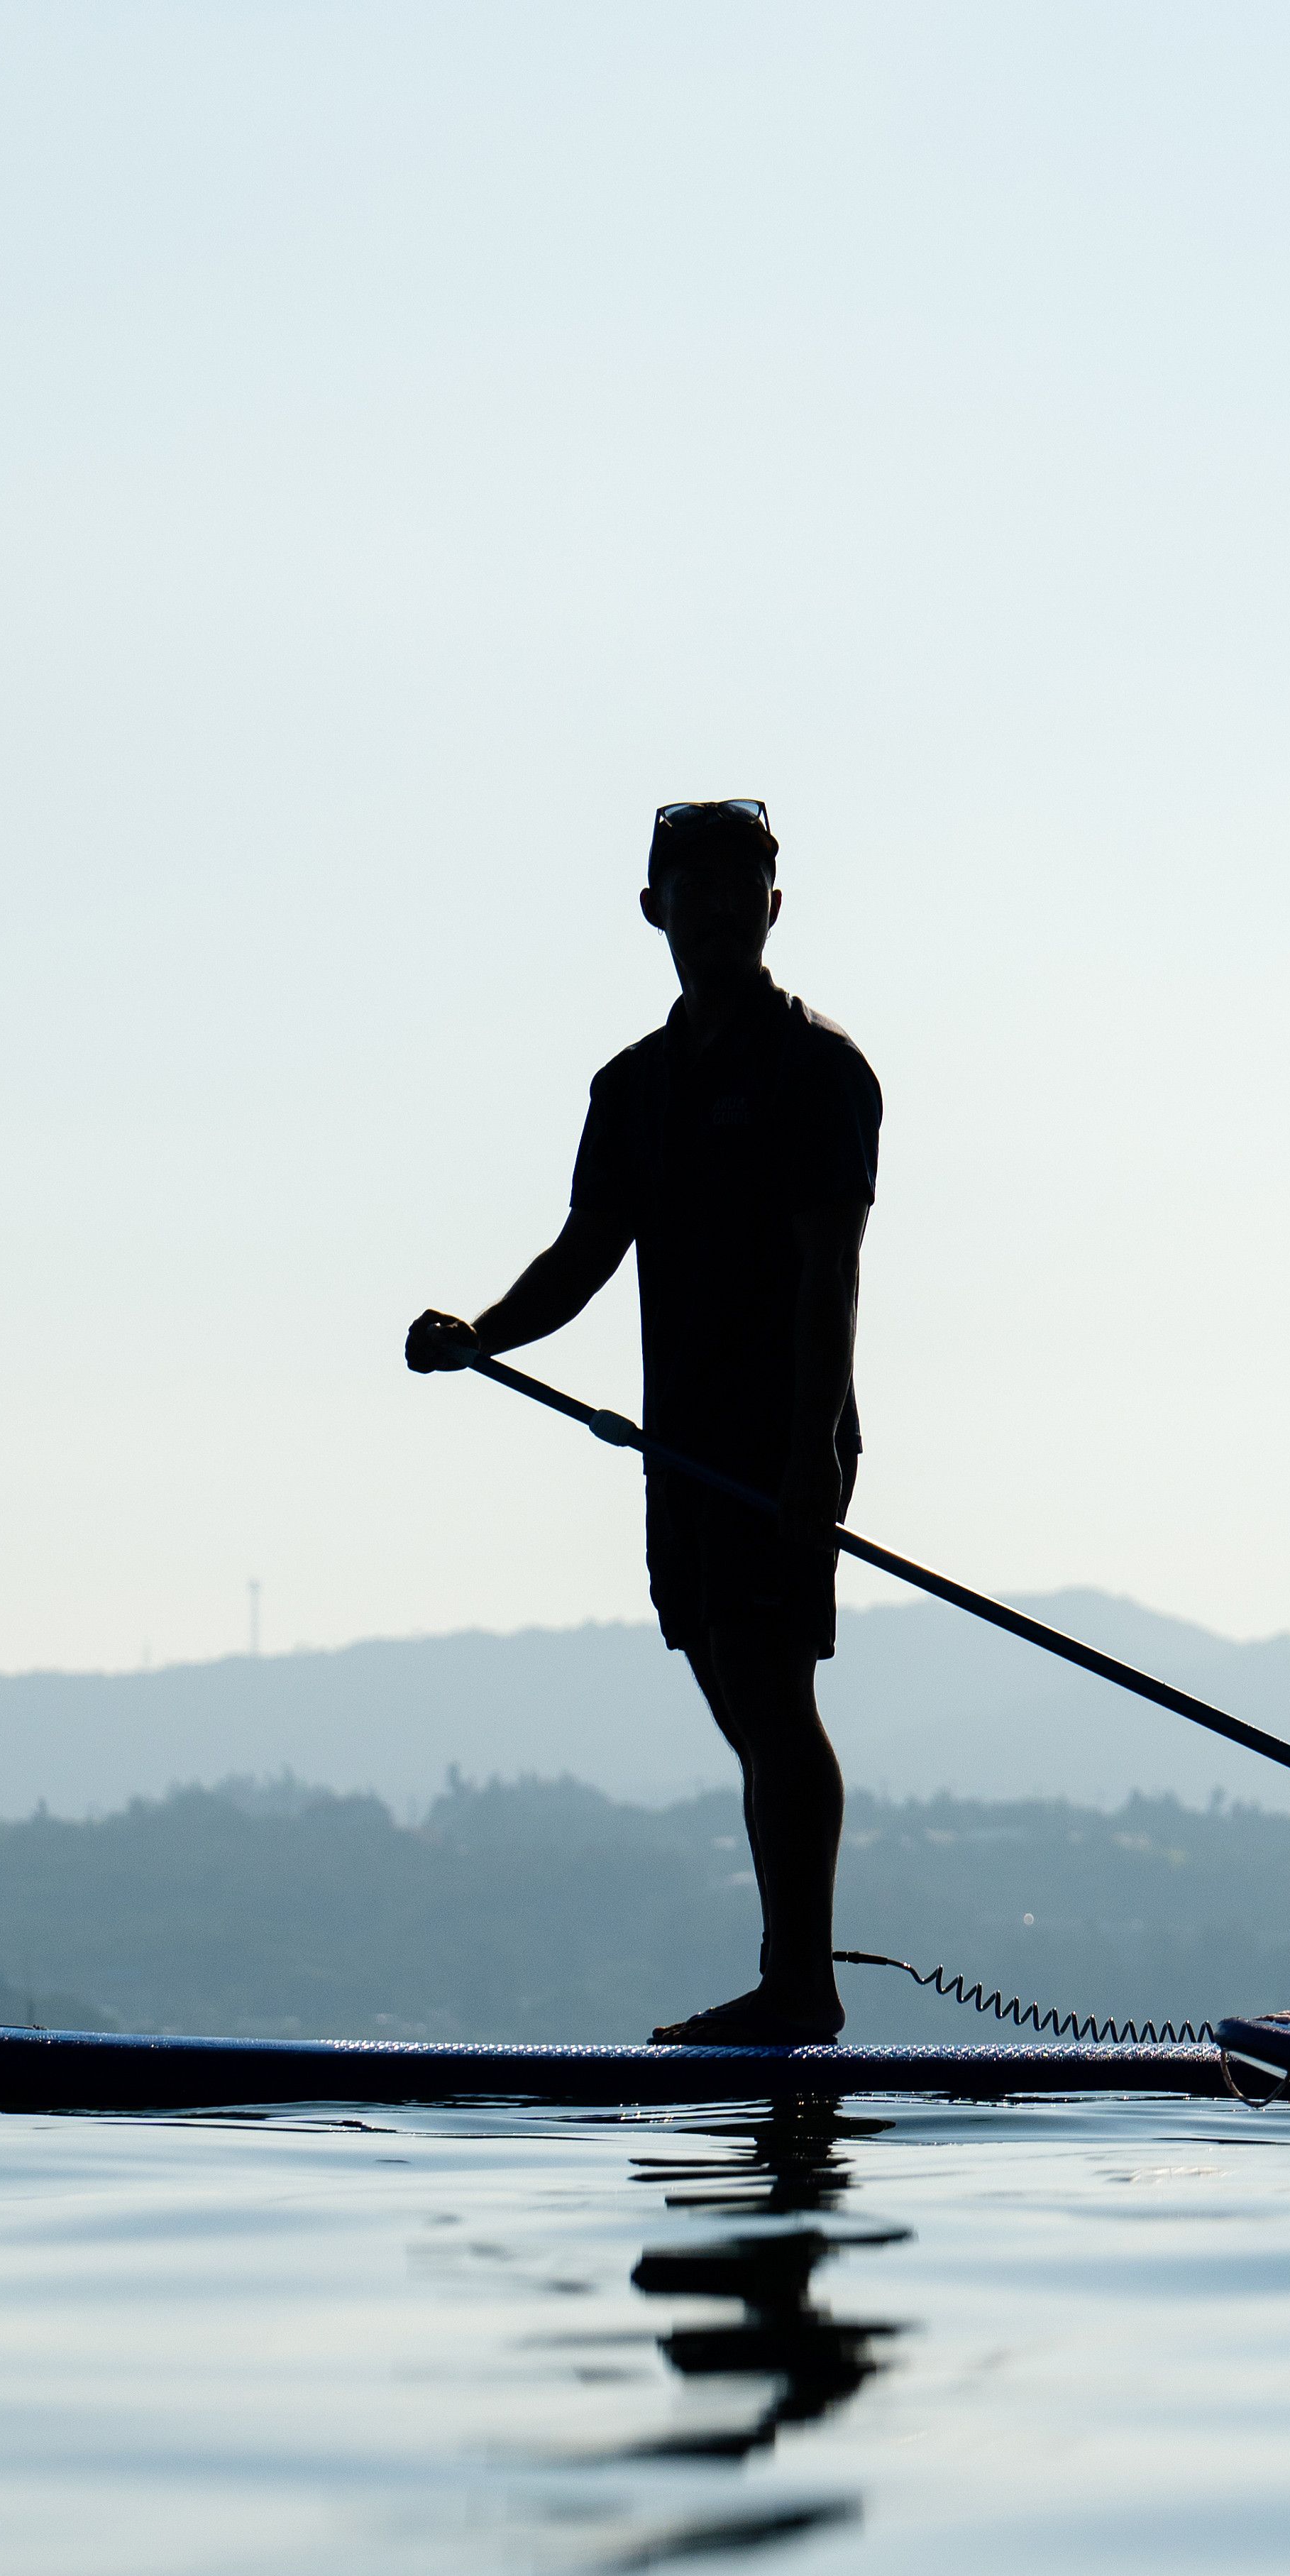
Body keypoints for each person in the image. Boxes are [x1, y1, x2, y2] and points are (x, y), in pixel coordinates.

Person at [406, 800, 879, 2047]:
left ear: (775, 907)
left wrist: (810, 1449)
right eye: (696, 886)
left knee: (773, 1701)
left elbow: (831, 1266)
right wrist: (481, 1335)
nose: (719, 908)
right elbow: (580, 1258)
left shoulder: (821, 1070)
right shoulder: (631, 1090)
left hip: (781, 1446)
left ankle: (798, 1987)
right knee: (736, 1696)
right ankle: (794, 1976)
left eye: (743, 886)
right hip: (677, 1448)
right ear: (653, 908)